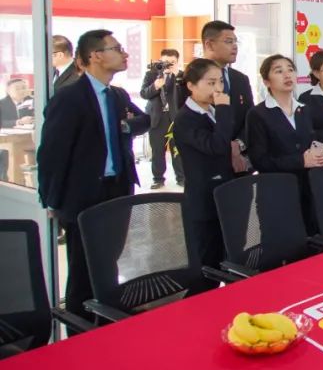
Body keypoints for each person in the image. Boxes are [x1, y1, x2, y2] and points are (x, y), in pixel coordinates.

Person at [37, 30, 150, 320]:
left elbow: (145, 119)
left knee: (110, 259)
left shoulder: (117, 95)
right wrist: (52, 199)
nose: (124, 53)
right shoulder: (70, 97)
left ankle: (106, 318)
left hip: (118, 188)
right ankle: (80, 327)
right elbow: (52, 154)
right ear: (96, 56)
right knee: (82, 270)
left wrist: (125, 126)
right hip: (84, 194)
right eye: (117, 48)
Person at [246, 54, 323, 234]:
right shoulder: (258, 114)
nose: (287, 75)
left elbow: (310, 142)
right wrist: (301, 161)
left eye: (290, 70)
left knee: (312, 236)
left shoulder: (304, 109)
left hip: (308, 188)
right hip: (277, 189)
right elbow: (259, 160)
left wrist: (318, 156)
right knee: (286, 239)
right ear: (266, 81)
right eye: (279, 71)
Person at [171, 58, 233, 278]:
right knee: (206, 264)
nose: (217, 89)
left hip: (221, 193)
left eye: (220, 82)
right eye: (210, 83)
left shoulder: (211, 111)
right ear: (191, 85)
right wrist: (224, 109)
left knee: (223, 257)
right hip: (202, 198)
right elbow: (216, 145)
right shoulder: (186, 119)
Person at [196, 21, 254, 176]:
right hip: (207, 166)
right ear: (209, 45)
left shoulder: (240, 79)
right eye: (229, 41)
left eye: (236, 42)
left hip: (241, 165)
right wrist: (225, 148)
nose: (235, 46)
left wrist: (238, 145)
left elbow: (250, 118)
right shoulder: (191, 79)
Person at [139, 49, 184, 189]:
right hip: (157, 117)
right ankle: (158, 179)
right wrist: (155, 86)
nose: (168, 65)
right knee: (157, 150)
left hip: (175, 118)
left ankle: (181, 178)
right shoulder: (151, 74)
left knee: (177, 150)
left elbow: (186, 96)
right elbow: (143, 94)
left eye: (172, 62)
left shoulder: (182, 76)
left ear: (178, 62)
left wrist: (176, 77)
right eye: (165, 62)